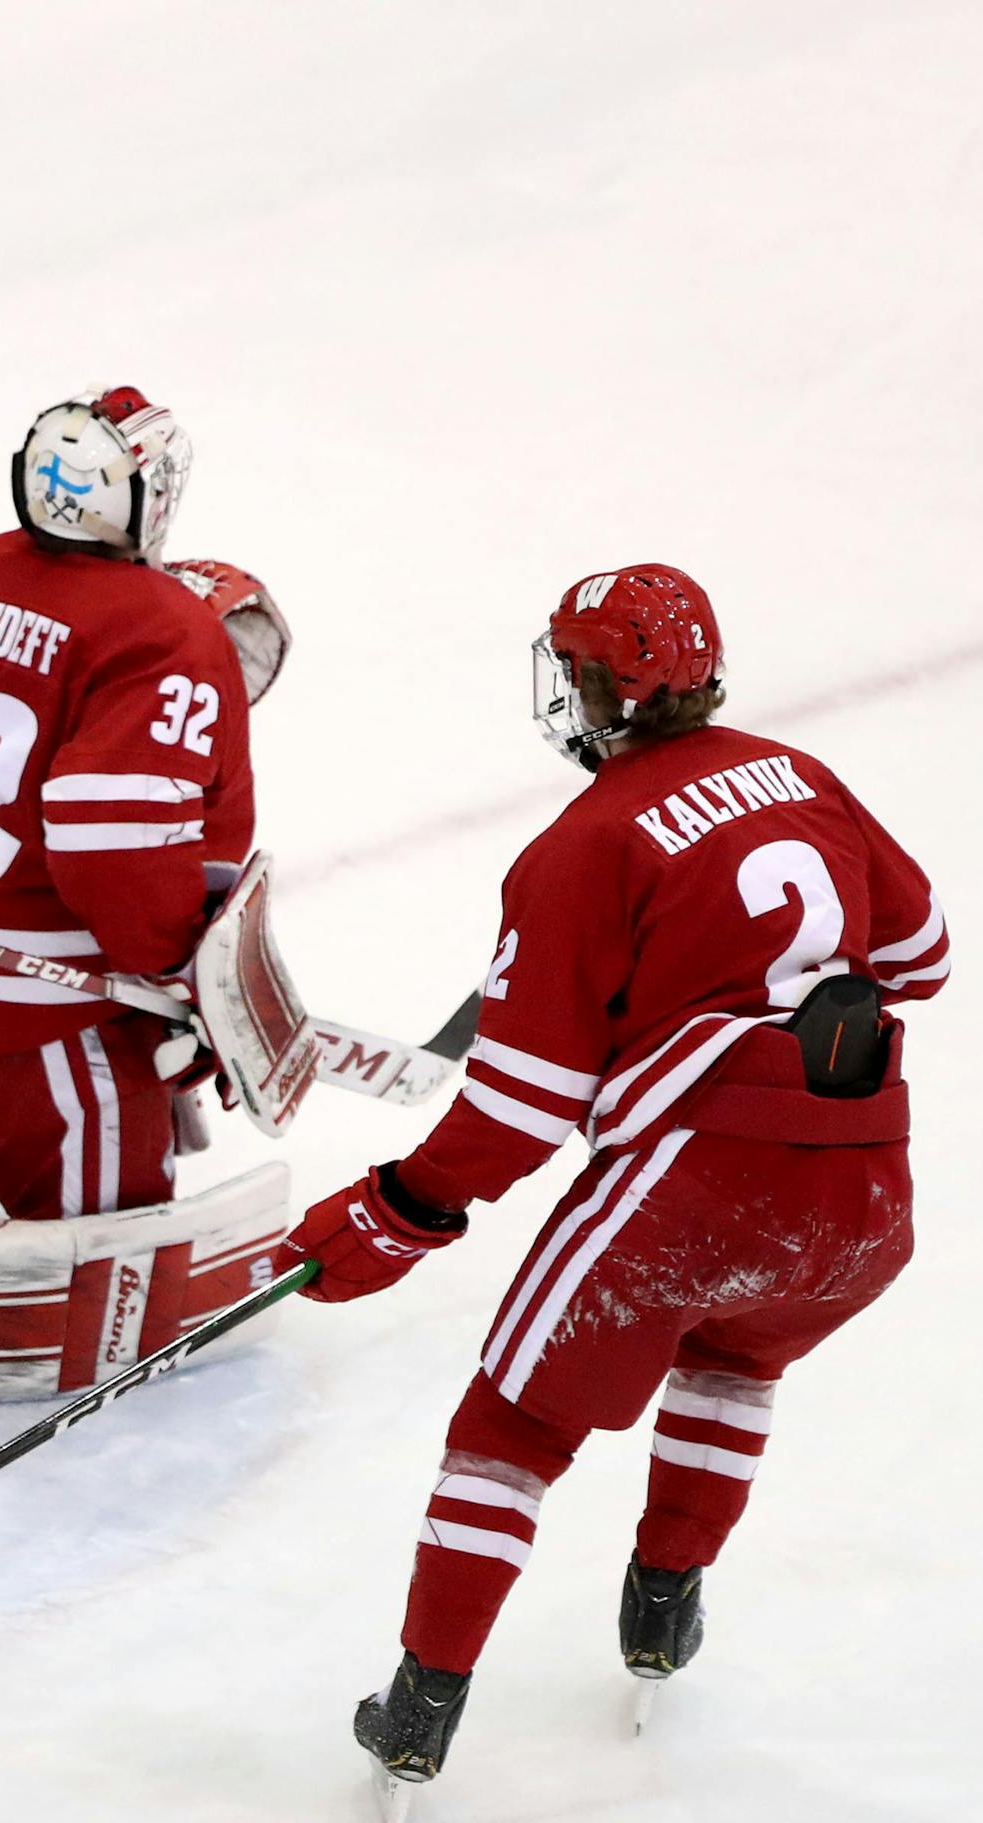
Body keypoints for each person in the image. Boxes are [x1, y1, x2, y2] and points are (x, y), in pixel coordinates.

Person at [277, 564, 948, 1799]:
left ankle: (424, 1700)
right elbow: (921, 951)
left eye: (574, 669)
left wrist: (398, 1208)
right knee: (738, 1355)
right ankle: (664, 1605)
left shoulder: (583, 843)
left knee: (515, 1425)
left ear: (603, 687)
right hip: (867, 1187)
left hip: (697, 1184)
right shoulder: (804, 774)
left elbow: (521, 1107)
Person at [0, 385, 290, 1219]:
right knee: (110, 1223)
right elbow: (109, 846)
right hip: (25, 1017)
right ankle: (1, 1135)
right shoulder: (164, 630)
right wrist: (176, 973)